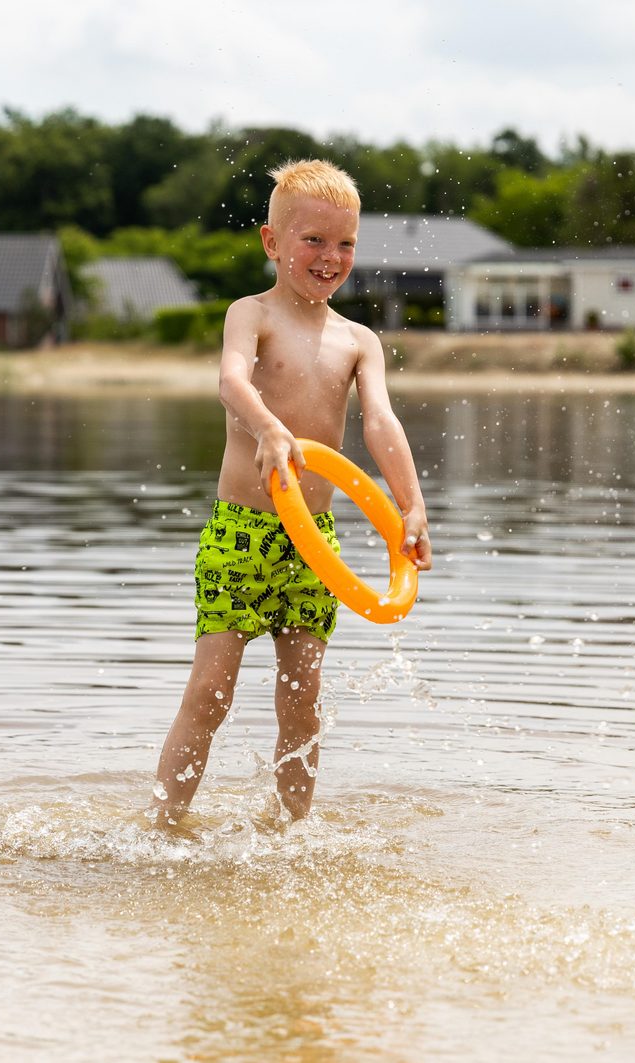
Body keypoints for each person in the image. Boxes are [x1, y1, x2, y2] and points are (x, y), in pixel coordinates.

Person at [148, 159, 433, 827]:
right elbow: (229, 382)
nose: (330, 257)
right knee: (212, 690)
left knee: (302, 699)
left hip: (315, 544)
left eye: (345, 243)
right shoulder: (252, 316)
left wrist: (411, 507)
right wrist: (271, 430)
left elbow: (382, 422)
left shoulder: (359, 340)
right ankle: (162, 829)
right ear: (272, 243)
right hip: (241, 532)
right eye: (313, 240)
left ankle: (288, 832)